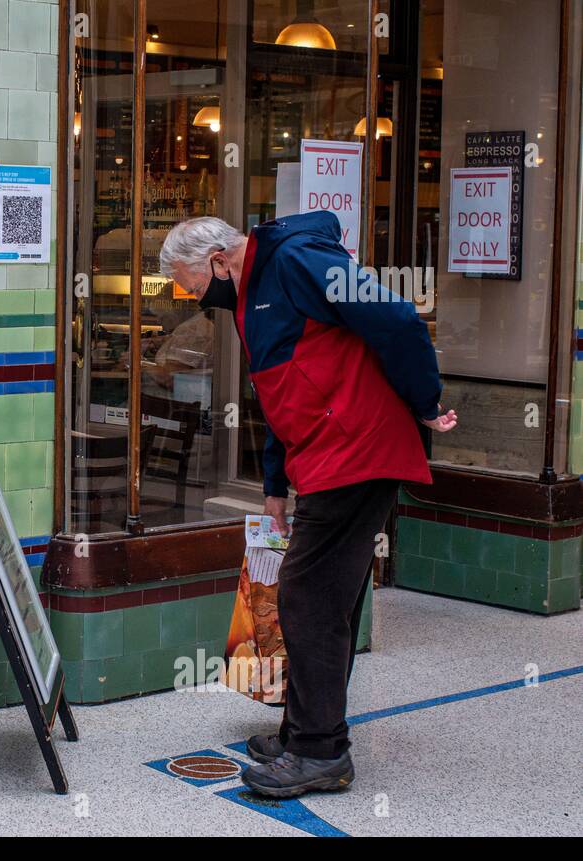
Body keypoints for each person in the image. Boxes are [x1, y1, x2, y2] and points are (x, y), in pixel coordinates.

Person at [158, 212, 458, 799]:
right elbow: (279, 390)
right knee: (325, 598)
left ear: (218, 260)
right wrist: (274, 483)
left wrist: (426, 403)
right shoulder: (250, 293)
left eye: (192, 283)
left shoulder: (296, 261)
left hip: (360, 448)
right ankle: (304, 729)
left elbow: (396, 317)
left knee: (309, 597)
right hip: (326, 457)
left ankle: (321, 752)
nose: (194, 296)